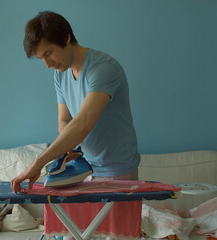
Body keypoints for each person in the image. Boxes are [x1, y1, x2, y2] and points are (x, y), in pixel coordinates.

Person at [11, 11, 140, 193]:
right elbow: (64, 120)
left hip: (117, 172)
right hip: (85, 169)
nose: (47, 64)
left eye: (49, 53)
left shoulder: (103, 69)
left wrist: (38, 163)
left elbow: (82, 124)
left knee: (112, 223)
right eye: (42, 58)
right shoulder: (60, 74)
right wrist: (68, 148)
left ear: (66, 38)